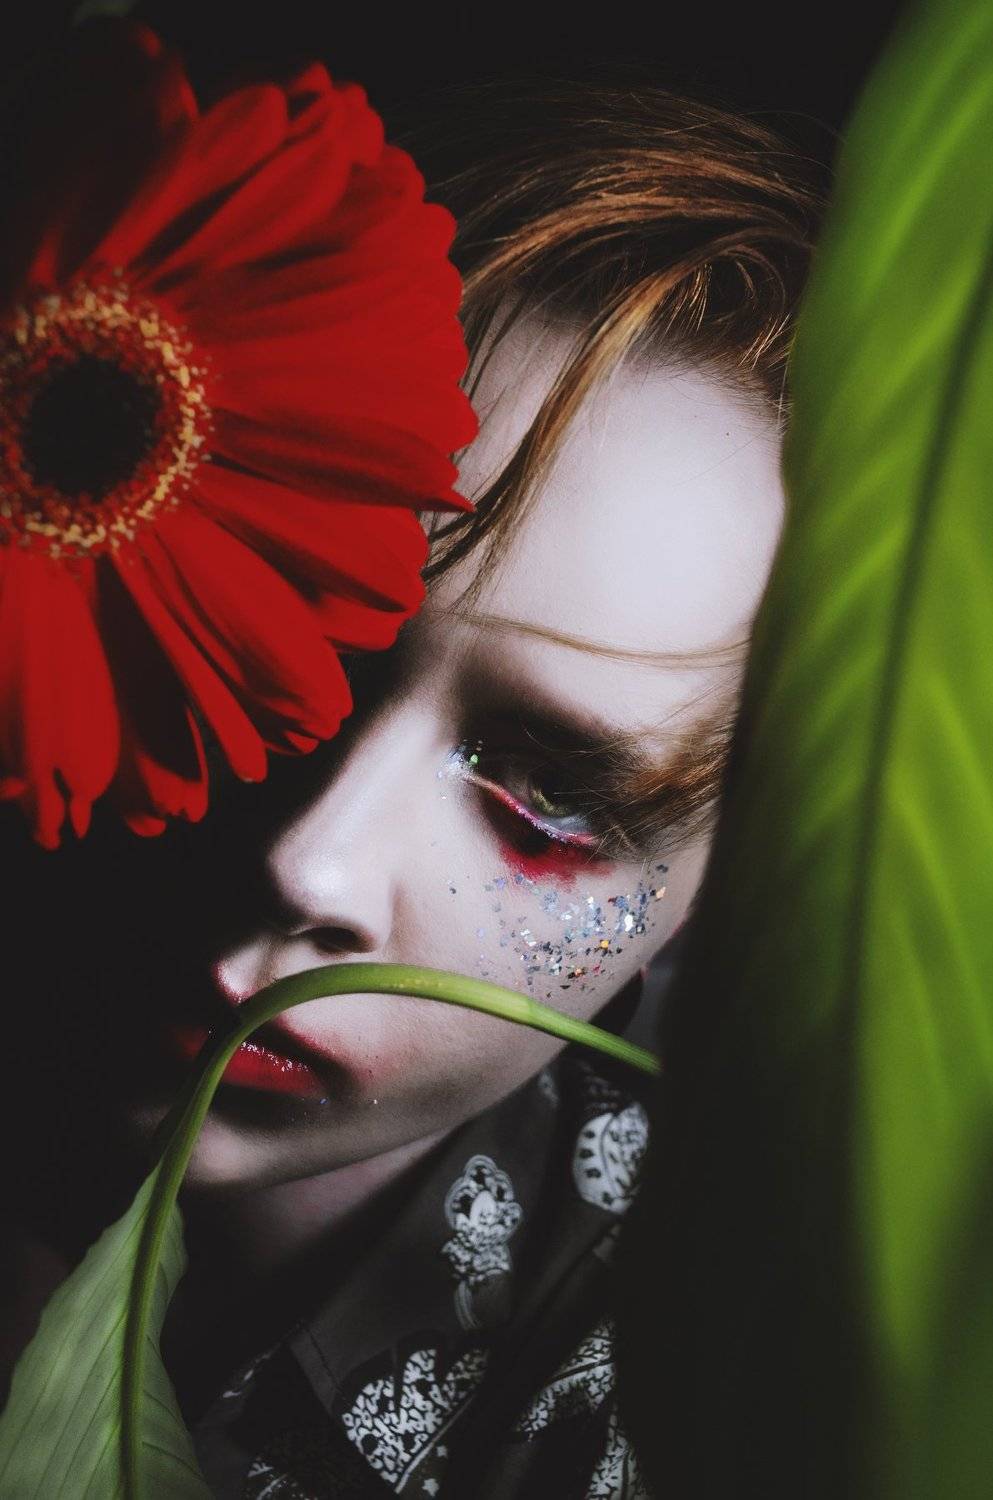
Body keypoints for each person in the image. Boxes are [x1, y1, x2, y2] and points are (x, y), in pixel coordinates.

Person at [0, 73, 818, 1500]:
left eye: (547, 799)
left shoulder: (722, 1411)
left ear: (724, 887)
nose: (305, 862)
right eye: (286, 647)